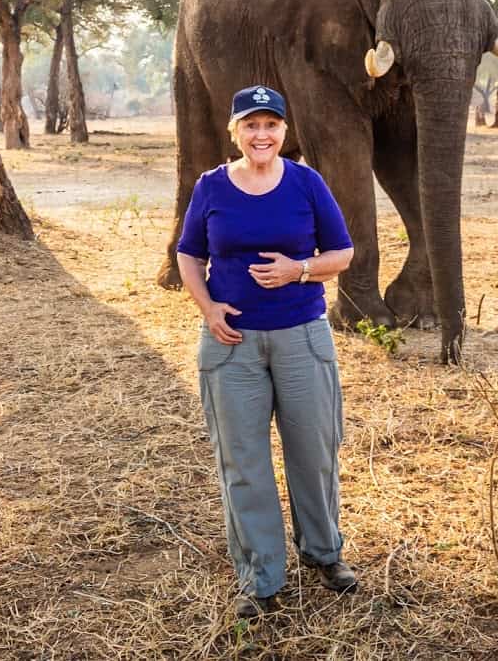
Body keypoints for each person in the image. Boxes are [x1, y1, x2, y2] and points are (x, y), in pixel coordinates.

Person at [176, 85, 357, 617]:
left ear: (284, 131)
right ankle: (260, 575)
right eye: (251, 125)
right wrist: (208, 308)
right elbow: (189, 255)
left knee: (314, 451)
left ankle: (325, 554)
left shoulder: (306, 183)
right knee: (243, 460)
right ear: (235, 131)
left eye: (271, 125)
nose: (262, 135)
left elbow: (343, 252)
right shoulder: (211, 187)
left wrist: (298, 270)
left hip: (302, 336)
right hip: (232, 346)